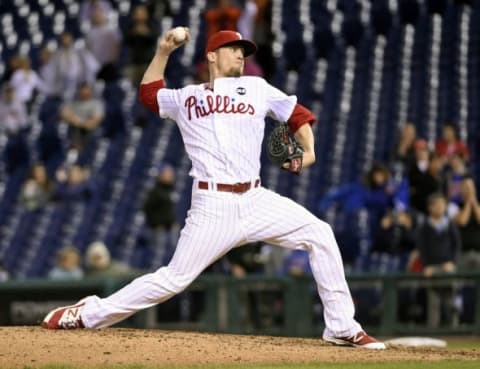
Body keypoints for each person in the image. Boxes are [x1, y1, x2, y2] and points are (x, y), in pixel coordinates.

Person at [41, 28, 385, 350]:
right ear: (211, 56)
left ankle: (341, 325)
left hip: (255, 198)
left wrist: (308, 152)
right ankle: (88, 313)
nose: (239, 55)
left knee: (320, 233)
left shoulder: (256, 87)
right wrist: (163, 51)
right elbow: (148, 95)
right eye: (232, 49)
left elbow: (298, 115)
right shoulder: (186, 97)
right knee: (173, 281)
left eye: (242, 51)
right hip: (212, 204)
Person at [415, 193, 461, 327]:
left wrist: (453, 262)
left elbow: (456, 245)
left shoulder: (449, 223)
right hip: (432, 267)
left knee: (450, 299)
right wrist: (426, 266)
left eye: (443, 205)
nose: (440, 208)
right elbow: (422, 248)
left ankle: (454, 329)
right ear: (430, 207)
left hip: (448, 266)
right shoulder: (425, 225)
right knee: (433, 301)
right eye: (437, 205)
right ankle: (433, 329)